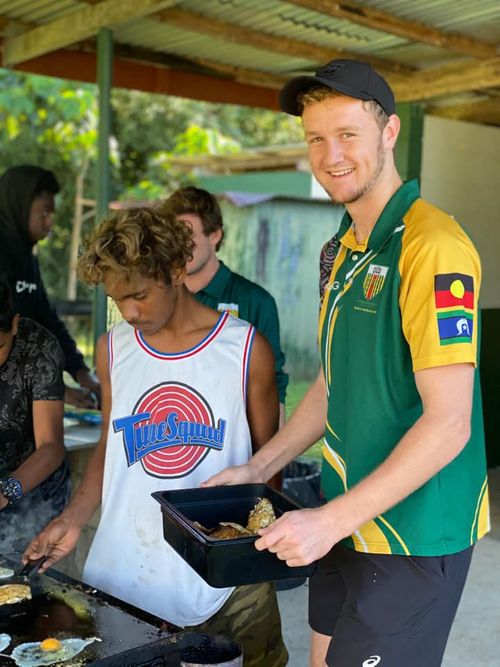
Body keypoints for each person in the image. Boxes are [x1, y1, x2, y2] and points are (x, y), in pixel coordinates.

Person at [203, 59, 489, 667]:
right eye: (316, 138)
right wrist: (259, 467)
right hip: (343, 513)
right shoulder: (343, 247)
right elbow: (332, 383)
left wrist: (330, 521)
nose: (330, 156)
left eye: (347, 134)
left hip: (412, 532)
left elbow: (450, 424)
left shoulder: (432, 246)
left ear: (389, 133)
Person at [23, 207, 288, 667]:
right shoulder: (113, 348)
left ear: (175, 271)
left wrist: (243, 555)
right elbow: (112, 448)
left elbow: (270, 472)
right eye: (117, 299)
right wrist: (72, 518)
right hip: (125, 572)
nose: (128, 312)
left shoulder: (246, 350)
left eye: (139, 295)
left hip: (220, 587)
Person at [162, 186, 288, 424]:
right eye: (173, 238)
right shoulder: (158, 298)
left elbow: (274, 384)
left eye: (188, 236)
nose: (179, 247)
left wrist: (274, 446)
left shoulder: (255, 301)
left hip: (233, 433)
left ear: (215, 236)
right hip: (167, 430)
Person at [0, 165, 100, 408]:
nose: (50, 223)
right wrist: (56, 389)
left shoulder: (27, 258)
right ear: (20, 205)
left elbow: (46, 321)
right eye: (44, 212)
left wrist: (82, 373)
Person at [0, 277, 71, 557]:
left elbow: (51, 447)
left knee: (17, 574)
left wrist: (6, 491)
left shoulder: (40, 348)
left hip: (33, 494)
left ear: (14, 323)